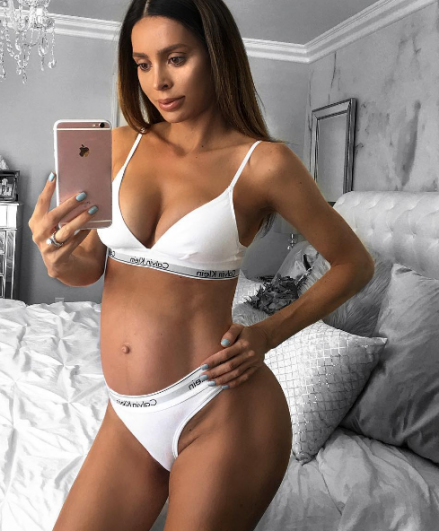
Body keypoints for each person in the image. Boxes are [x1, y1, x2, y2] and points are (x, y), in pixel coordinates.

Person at [28, 1, 375, 530]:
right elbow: (90, 267)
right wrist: (56, 259)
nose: (159, 82)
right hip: (127, 414)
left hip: (220, 408)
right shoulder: (112, 148)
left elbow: (355, 264)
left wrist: (268, 334)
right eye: (143, 64)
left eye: (176, 58)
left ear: (216, 54)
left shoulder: (264, 164)